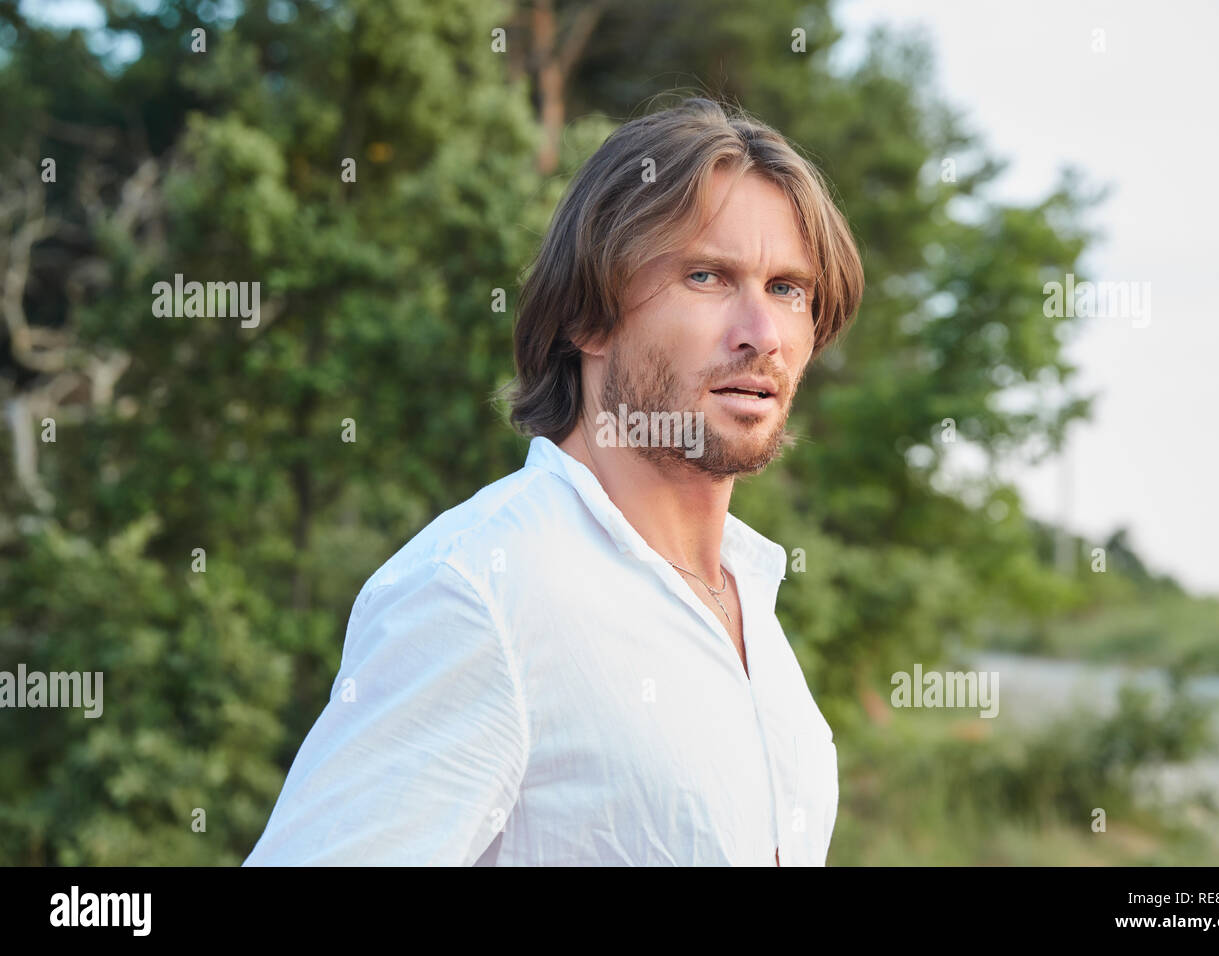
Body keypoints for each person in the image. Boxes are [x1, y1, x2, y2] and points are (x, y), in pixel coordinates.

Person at [244, 96, 864, 866]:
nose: (762, 334)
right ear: (588, 318)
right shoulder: (481, 594)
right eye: (707, 276)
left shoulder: (751, 598)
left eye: (788, 289)